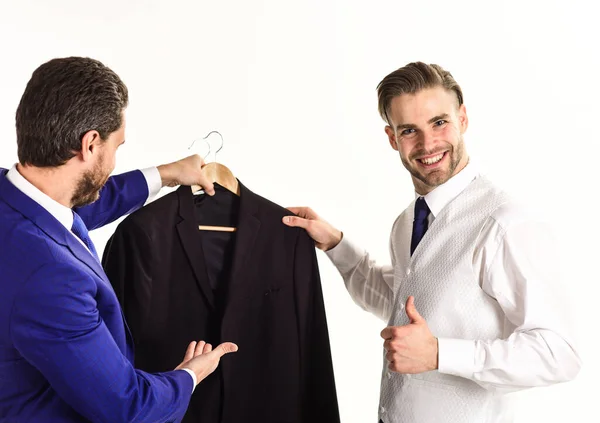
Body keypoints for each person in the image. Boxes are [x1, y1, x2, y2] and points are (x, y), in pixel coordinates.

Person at [283, 62, 581, 423]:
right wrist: (336, 244)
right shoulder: (407, 221)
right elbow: (400, 302)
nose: (428, 144)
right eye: (409, 130)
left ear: (463, 119)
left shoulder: (503, 224)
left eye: (439, 122)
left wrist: (440, 353)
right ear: (392, 138)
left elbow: (558, 354)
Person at [0, 57, 237, 423]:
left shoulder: (14, 196)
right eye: (117, 146)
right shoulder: (51, 278)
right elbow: (127, 408)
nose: (114, 159)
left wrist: (166, 174)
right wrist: (190, 376)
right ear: (90, 143)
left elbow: (73, 212)